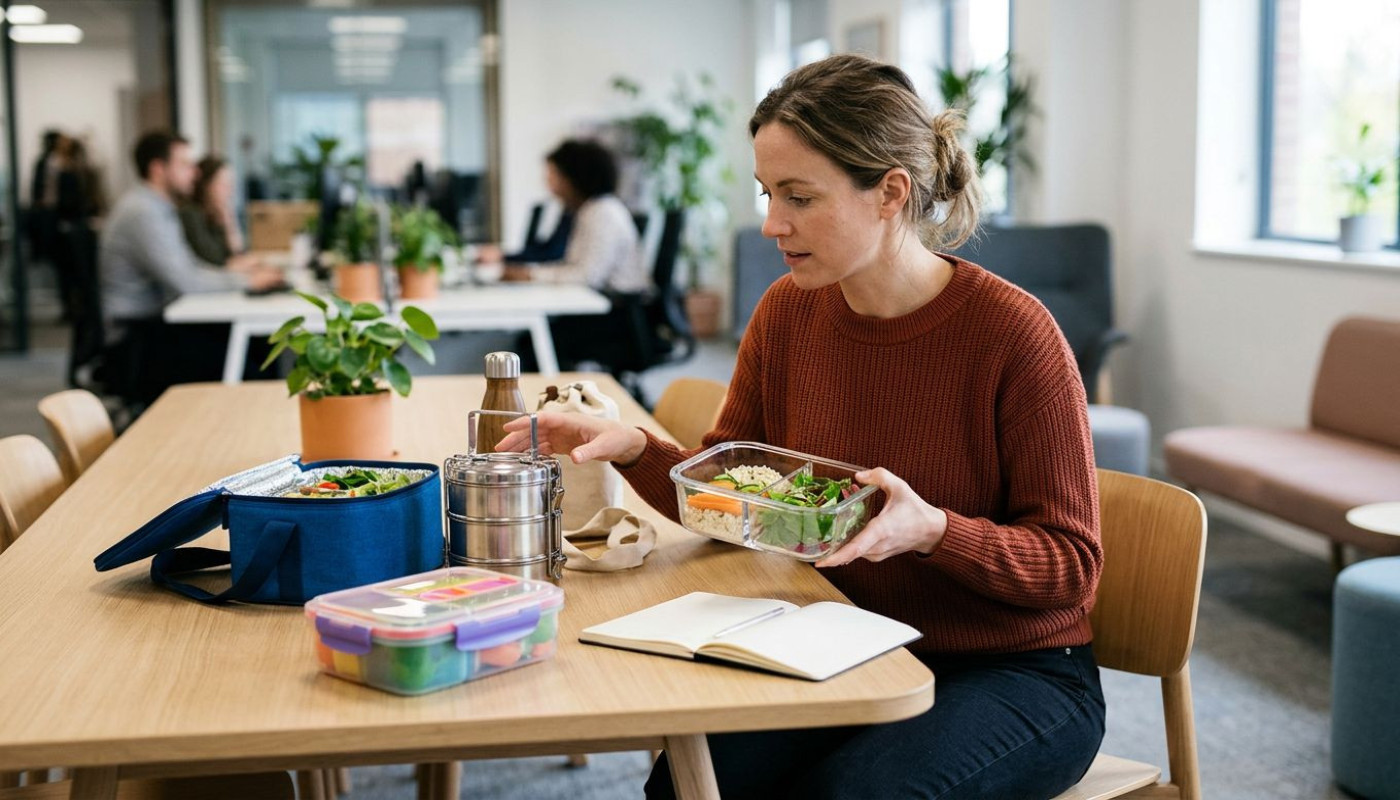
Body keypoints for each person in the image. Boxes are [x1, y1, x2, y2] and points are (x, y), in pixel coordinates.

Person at [498, 54, 1105, 800]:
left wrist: (935, 531)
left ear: (890, 193)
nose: (770, 223)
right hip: (838, 635)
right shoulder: (789, 312)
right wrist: (634, 447)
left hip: (1015, 670)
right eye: (767, 192)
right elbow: (726, 493)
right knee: (688, 785)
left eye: (799, 197)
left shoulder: (1012, 334)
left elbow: (1071, 566)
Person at [100, 131, 282, 405]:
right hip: (135, 337)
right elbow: (187, 282)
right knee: (249, 365)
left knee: (259, 345)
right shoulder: (143, 213)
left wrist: (241, 275)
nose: (195, 173)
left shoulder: (159, 208)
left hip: (155, 323)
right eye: (184, 164)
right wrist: (247, 281)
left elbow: (191, 268)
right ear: (158, 169)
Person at [490, 139, 648, 293]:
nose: (547, 181)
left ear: (572, 177)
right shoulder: (587, 210)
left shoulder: (603, 213)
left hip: (617, 307)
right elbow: (572, 266)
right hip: (598, 300)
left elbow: (588, 276)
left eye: (553, 174)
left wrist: (531, 274)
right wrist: (530, 273)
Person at [179, 155, 253, 267]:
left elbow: (239, 253)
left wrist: (230, 223)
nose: (230, 190)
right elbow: (215, 260)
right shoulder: (191, 214)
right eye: (223, 184)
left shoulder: (218, 213)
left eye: (231, 184)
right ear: (206, 186)